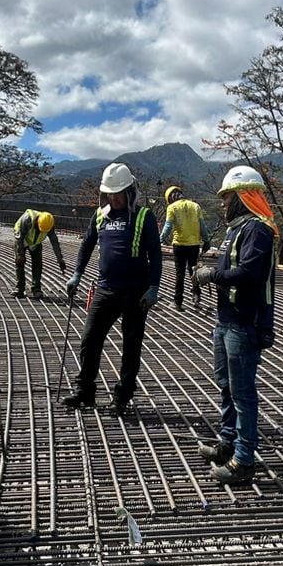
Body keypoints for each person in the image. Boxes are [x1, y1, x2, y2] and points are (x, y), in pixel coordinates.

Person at [194, 165, 277, 484]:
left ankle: (243, 461)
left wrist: (212, 275)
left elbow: (250, 274)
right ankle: (227, 444)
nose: (223, 202)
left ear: (243, 197)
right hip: (226, 320)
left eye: (227, 197)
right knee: (227, 386)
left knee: (242, 393)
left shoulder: (257, 230)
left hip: (244, 322)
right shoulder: (236, 231)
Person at [63, 163, 162, 416]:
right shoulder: (100, 215)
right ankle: (85, 391)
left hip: (136, 293)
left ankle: (122, 396)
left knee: (131, 346)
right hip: (106, 289)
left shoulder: (144, 216)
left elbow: (155, 254)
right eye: (109, 194)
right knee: (90, 340)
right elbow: (87, 245)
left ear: (129, 192)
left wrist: (153, 287)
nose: (114, 198)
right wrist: (77, 274)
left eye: (118, 194)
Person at [160, 184, 211, 311]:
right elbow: (202, 226)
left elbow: (168, 227)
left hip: (179, 245)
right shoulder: (195, 206)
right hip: (194, 245)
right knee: (194, 271)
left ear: (170, 198)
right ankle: (196, 296)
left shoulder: (172, 207)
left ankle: (178, 302)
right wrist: (206, 241)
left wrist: (159, 240)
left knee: (180, 274)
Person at [12, 209, 65, 299]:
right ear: (37, 222)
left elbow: (54, 242)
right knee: (19, 262)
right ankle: (19, 289)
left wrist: (60, 259)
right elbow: (19, 238)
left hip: (36, 243)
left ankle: (36, 289)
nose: (41, 232)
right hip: (21, 240)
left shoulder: (49, 224)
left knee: (37, 264)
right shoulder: (27, 219)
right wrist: (20, 254)